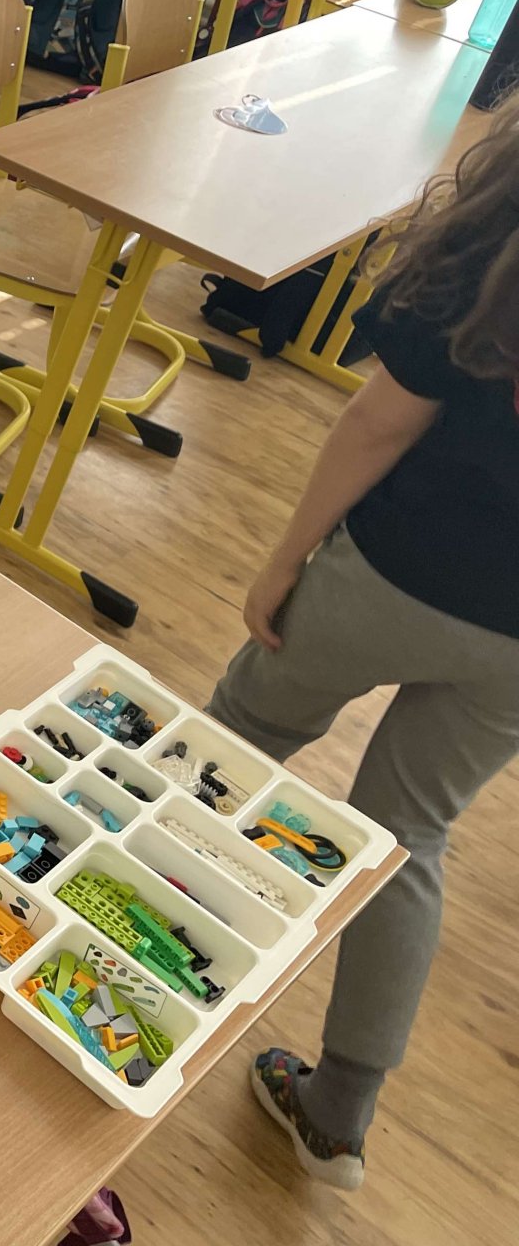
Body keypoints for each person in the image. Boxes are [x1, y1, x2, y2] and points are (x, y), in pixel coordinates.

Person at [212, 104, 519, 1190]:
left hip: (393, 576)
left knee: (239, 737)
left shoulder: (491, 237)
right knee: (407, 839)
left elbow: (379, 423)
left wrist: (285, 557)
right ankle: (338, 1114)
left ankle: (120, 928)